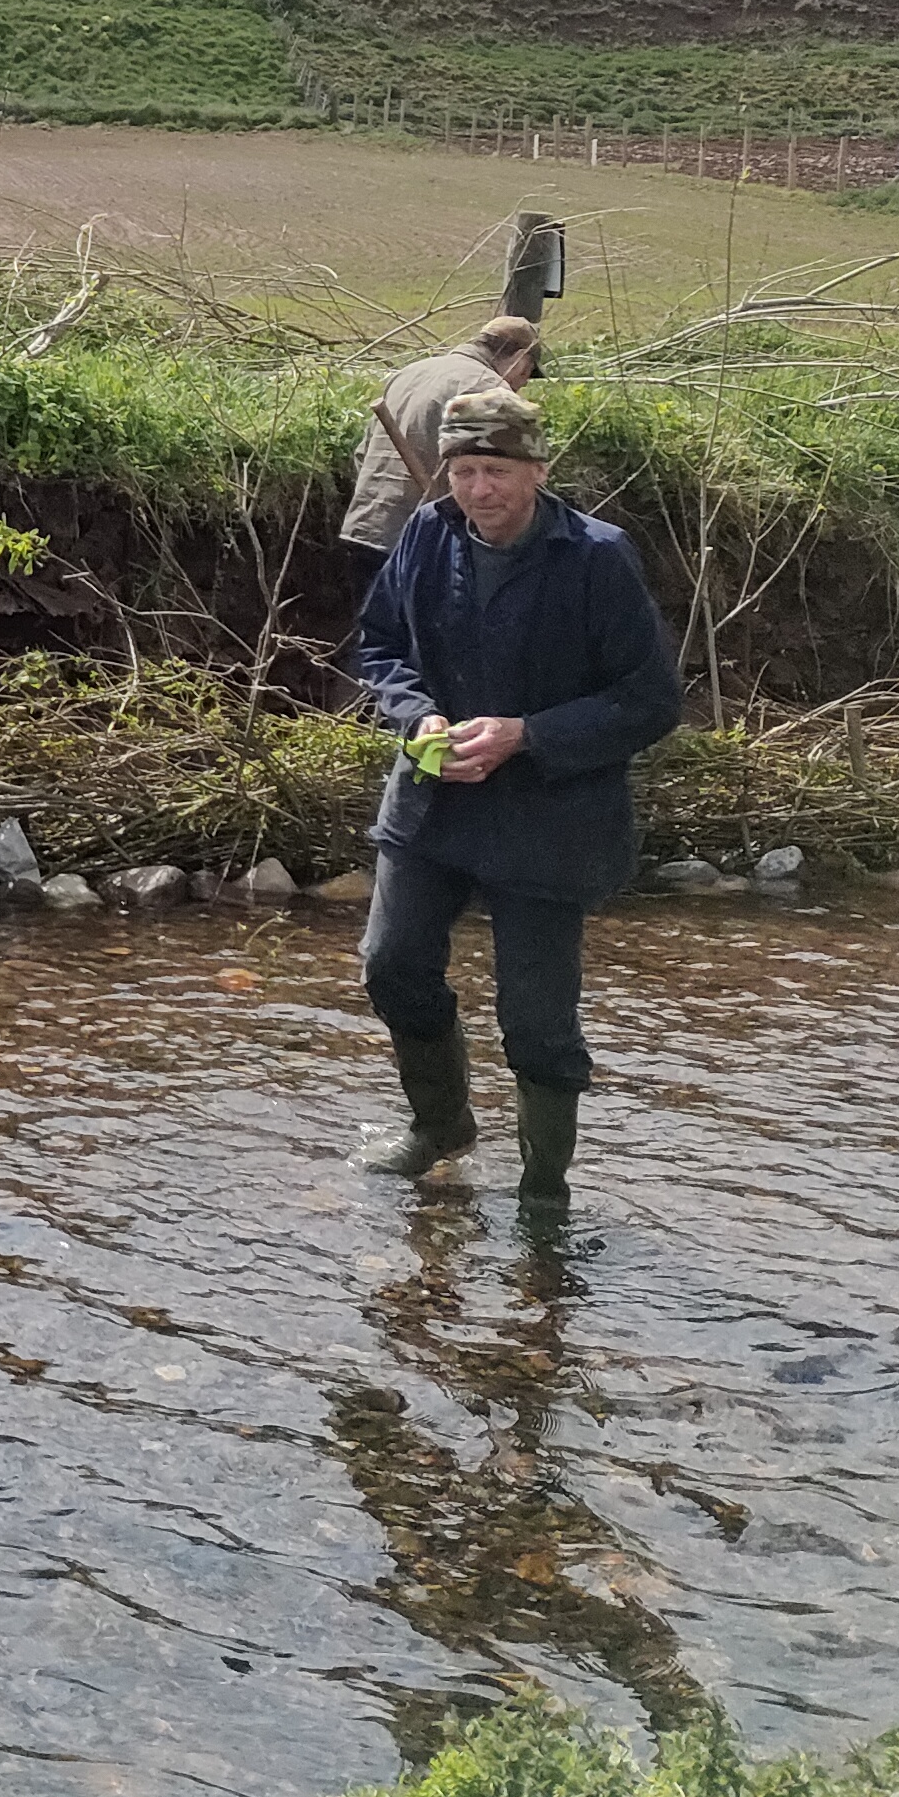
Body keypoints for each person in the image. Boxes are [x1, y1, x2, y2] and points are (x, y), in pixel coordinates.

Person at [343, 380, 680, 1205]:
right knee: (392, 968)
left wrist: (526, 735)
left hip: (551, 818)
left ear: (536, 470)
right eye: (463, 471)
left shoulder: (597, 557)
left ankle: (542, 1191)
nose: (478, 490)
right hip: (435, 796)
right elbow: (380, 644)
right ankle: (440, 1127)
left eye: (495, 469)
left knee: (536, 1022)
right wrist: (417, 719)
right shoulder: (428, 532)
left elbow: (652, 699)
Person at [343, 314, 545, 594]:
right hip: (426, 543)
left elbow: (361, 455)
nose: (522, 384)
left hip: (366, 528)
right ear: (520, 357)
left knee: (377, 633)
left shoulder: (411, 372)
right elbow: (509, 479)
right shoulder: (490, 391)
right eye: (526, 373)